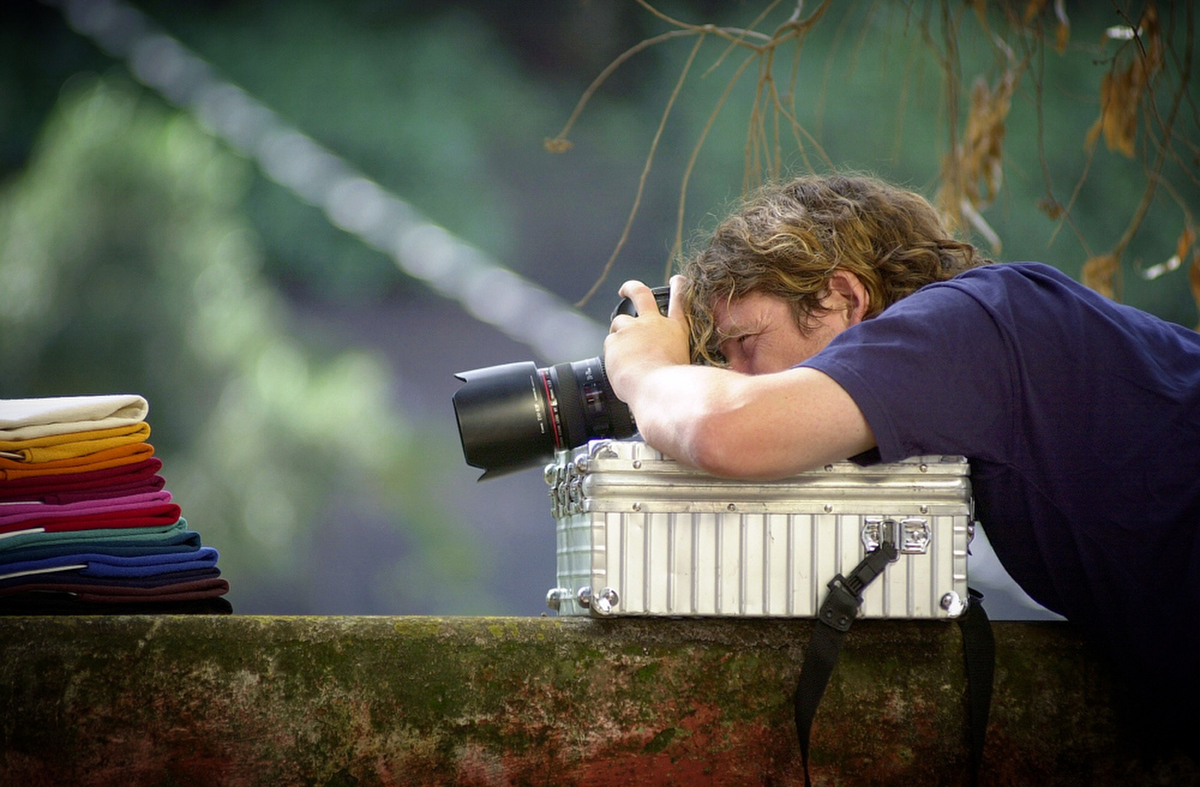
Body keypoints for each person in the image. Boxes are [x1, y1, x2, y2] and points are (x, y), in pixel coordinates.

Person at [603, 173, 1200, 737]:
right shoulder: (990, 337)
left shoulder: (967, 323)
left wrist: (644, 369)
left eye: (746, 343)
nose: (736, 376)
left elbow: (723, 427)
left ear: (843, 297)